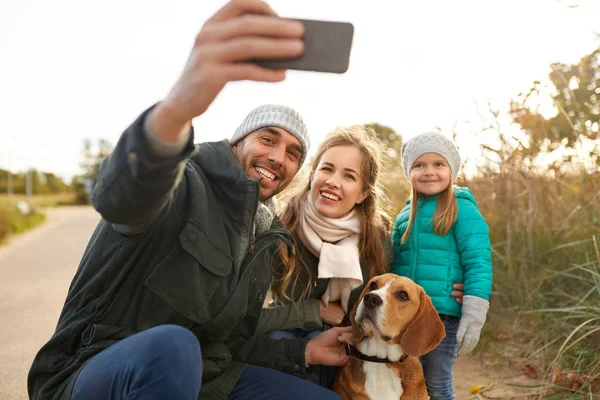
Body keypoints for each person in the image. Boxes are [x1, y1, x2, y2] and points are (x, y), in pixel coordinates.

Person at [27, 1, 351, 400]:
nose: (277, 158)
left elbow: (230, 345)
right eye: (267, 139)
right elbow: (122, 198)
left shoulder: (266, 239)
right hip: (96, 369)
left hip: (206, 381)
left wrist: (303, 350)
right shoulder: (183, 181)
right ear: (238, 143)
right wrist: (179, 106)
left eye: (292, 153)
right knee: (174, 347)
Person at [256, 126, 392, 385]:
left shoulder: (377, 237)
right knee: (280, 337)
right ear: (313, 174)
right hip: (287, 346)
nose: (333, 181)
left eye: (349, 176)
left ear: (363, 193)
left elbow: (398, 298)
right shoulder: (279, 228)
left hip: (348, 346)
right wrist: (312, 311)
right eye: (327, 169)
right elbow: (245, 319)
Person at [390, 131, 493, 400]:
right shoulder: (403, 216)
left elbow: (478, 261)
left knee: (436, 382)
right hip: (405, 316)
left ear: (451, 170)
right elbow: (393, 264)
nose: (429, 172)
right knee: (406, 382)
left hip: (442, 316)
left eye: (439, 164)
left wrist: (474, 308)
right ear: (408, 172)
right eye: (419, 165)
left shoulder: (462, 209)